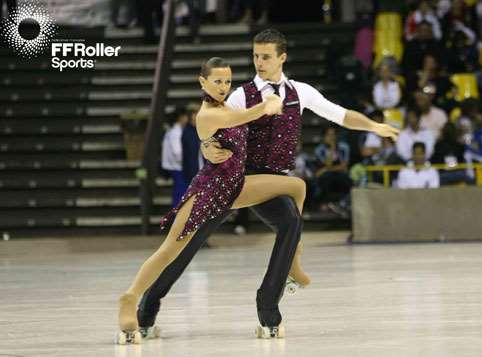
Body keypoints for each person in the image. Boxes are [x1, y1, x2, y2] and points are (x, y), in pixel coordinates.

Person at [135, 29, 399, 341]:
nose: (259, 62)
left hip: (271, 181)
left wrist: (373, 125)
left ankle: (268, 306)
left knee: (290, 221)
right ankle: (147, 309)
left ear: (282, 58)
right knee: (189, 243)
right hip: (233, 178)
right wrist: (206, 147)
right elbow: (214, 128)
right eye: (255, 56)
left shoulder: (301, 92)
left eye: (266, 57)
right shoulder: (239, 95)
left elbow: (339, 114)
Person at [117, 57, 307, 343]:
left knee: (296, 186)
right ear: (202, 82)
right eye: (217, 81)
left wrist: (210, 144)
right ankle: (130, 298)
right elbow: (240, 119)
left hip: (238, 186)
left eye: (227, 81)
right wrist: (265, 106)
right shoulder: (207, 114)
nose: (223, 86)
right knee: (169, 250)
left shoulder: (226, 105)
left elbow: (239, 125)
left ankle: (294, 264)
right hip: (211, 191)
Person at [161, 108, 189, 207]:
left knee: (179, 193)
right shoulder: (176, 133)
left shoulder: (172, 131)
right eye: (186, 116)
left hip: (174, 166)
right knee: (180, 194)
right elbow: (177, 153)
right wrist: (187, 162)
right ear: (181, 118)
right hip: (178, 167)